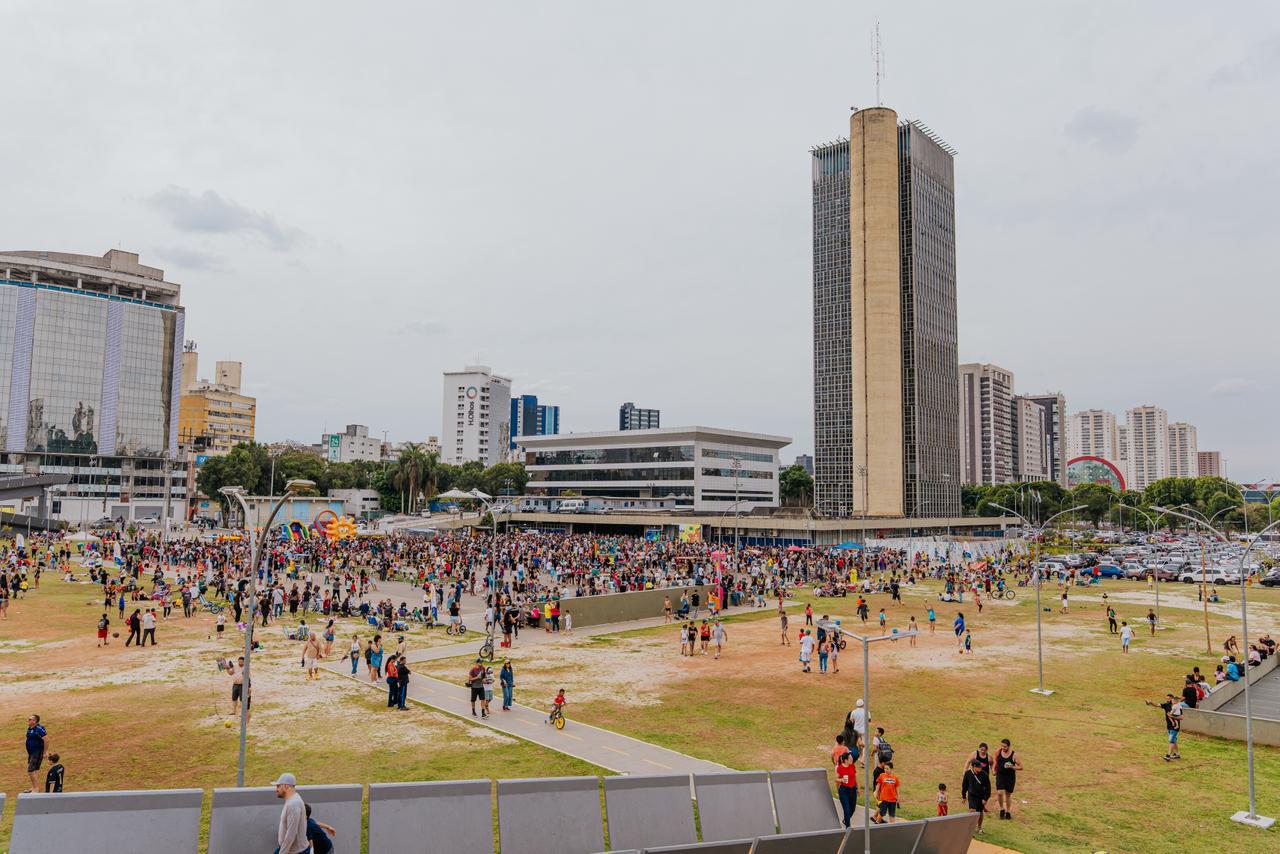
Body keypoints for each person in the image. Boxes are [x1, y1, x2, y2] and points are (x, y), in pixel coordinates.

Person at [274, 773, 310, 854]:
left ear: (286, 786)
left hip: (295, 852)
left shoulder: (293, 804)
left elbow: (291, 833)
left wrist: (282, 852)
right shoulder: (292, 800)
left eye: (278, 786)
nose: (276, 789)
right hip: (289, 849)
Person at [1145, 693, 1183, 760]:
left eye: (1169, 699)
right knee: (1174, 740)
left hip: (1175, 726)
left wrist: (1171, 716)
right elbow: (1157, 705)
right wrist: (1150, 702)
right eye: (1166, 699)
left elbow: (1181, 717)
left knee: (1171, 740)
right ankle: (1177, 754)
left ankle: (1168, 756)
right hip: (1169, 726)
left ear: (1172, 698)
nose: (1167, 700)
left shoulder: (1177, 706)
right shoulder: (1166, 705)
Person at [993, 738, 1021, 820]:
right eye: (1002, 746)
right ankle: (1002, 809)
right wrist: (994, 769)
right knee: (1000, 792)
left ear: (1009, 746)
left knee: (1008, 794)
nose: (1003, 748)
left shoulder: (1014, 755)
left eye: (1005, 747)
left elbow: (1021, 767)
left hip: (1010, 777)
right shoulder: (998, 751)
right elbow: (995, 761)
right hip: (1000, 775)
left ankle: (1008, 811)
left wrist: (1012, 766)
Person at [962, 759, 991, 833]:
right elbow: (964, 785)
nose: (981, 768)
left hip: (981, 796)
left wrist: (985, 798)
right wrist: (964, 796)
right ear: (974, 767)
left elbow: (988, 788)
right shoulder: (968, 774)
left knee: (980, 812)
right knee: (972, 811)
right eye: (979, 767)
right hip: (972, 795)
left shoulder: (984, 775)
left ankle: (979, 827)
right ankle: (970, 828)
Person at [835, 749, 858, 828]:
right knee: (847, 810)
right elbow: (836, 779)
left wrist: (857, 788)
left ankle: (845, 820)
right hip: (844, 791)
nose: (851, 759)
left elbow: (855, 777)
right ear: (845, 760)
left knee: (853, 809)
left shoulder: (852, 766)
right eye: (850, 758)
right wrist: (841, 780)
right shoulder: (840, 768)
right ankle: (848, 827)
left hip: (853, 790)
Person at [25, 714, 48, 793]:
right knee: (35, 770)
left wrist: (45, 752)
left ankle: (36, 788)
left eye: (30, 719)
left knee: (30, 770)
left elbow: (46, 739)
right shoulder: (29, 728)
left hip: (37, 752)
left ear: (35, 721)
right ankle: (34, 787)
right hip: (31, 752)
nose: (28, 720)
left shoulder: (39, 729)